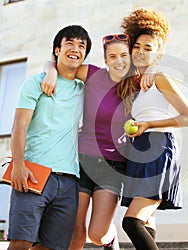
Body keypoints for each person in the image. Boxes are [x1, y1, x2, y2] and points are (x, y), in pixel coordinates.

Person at [42, 33, 143, 250]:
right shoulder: (93, 74)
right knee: (75, 229)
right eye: (113, 56)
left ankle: (111, 238)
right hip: (81, 161)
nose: (119, 61)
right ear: (105, 60)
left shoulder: (136, 85)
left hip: (113, 166)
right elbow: (59, 63)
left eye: (124, 55)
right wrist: (50, 71)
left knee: (97, 235)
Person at [7, 25, 92, 250]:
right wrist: (18, 165)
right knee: (20, 243)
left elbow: (115, 74)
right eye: (69, 44)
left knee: (51, 247)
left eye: (81, 46)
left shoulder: (83, 90)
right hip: (33, 172)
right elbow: (19, 126)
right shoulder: (35, 83)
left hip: (68, 180)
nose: (75, 49)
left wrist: (52, 69)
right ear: (57, 50)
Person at [120, 8, 188, 250]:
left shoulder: (160, 77)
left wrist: (148, 124)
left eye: (148, 48)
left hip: (158, 149)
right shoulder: (134, 83)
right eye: (137, 46)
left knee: (132, 222)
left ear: (158, 54)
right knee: (147, 222)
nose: (141, 52)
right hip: (139, 151)